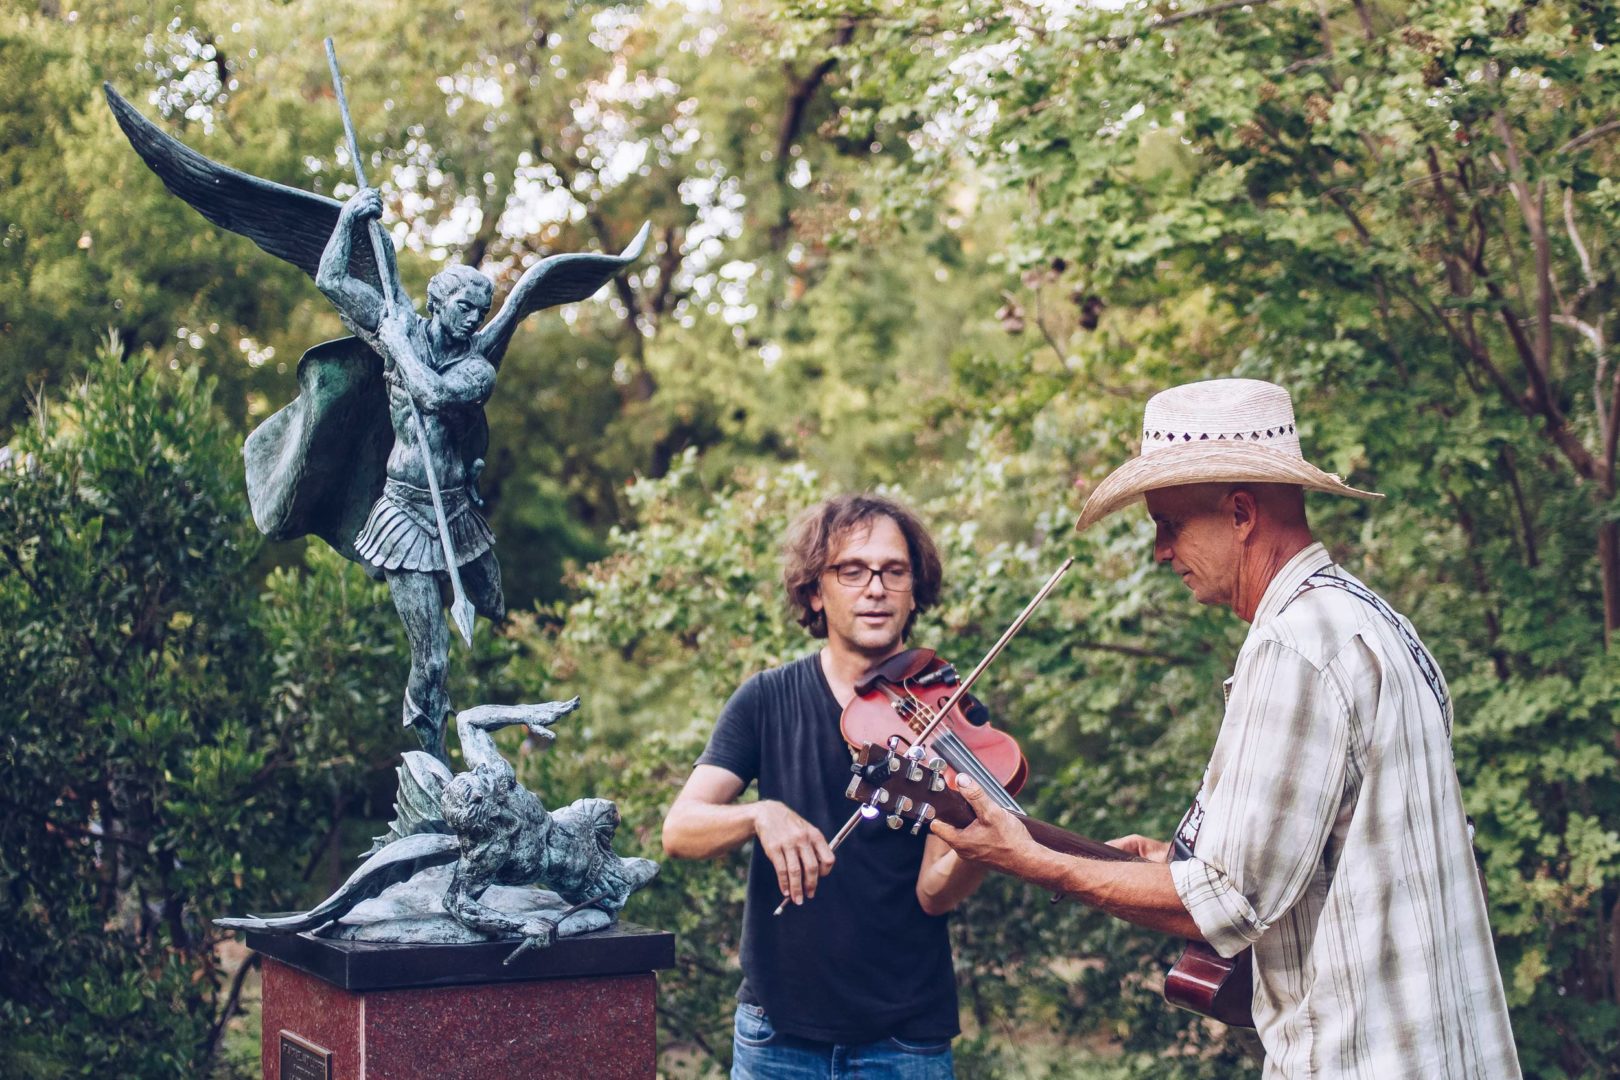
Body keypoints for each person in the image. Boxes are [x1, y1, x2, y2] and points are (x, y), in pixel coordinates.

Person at [929, 379, 1521, 1078]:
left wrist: (1036, 860)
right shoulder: (1376, 621)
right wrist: (1175, 866)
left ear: (1240, 513)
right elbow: (1332, 857)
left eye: (1168, 524)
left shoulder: (1293, 644)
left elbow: (1229, 902)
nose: (1159, 552)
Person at [662, 494, 988, 1079]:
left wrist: (984, 840)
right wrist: (759, 814)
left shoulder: (949, 717)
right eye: (852, 570)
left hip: (905, 1040)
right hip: (775, 1036)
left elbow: (935, 893)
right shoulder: (765, 699)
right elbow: (680, 830)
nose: (875, 588)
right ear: (816, 590)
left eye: (894, 571)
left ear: (914, 590)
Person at [314, 187, 503, 763]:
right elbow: (331, 280)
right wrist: (348, 221)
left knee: (495, 604)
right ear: (437, 303)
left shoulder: (475, 367)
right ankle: (432, 756)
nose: (474, 320)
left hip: (456, 511)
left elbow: (435, 395)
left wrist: (396, 344)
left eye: (482, 312)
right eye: (463, 309)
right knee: (432, 657)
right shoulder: (398, 322)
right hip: (402, 513)